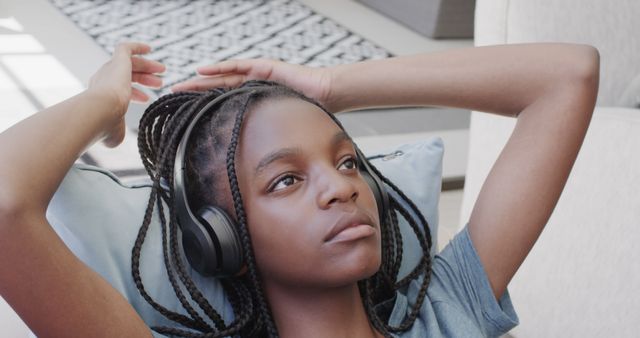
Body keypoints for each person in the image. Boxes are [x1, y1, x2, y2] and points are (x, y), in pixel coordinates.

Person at [0, 41, 599, 337]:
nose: (341, 189)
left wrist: (331, 85)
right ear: (219, 238)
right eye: (286, 180)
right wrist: (103, 102)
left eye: (346, 163)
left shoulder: (445, 312)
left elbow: (567, 75)